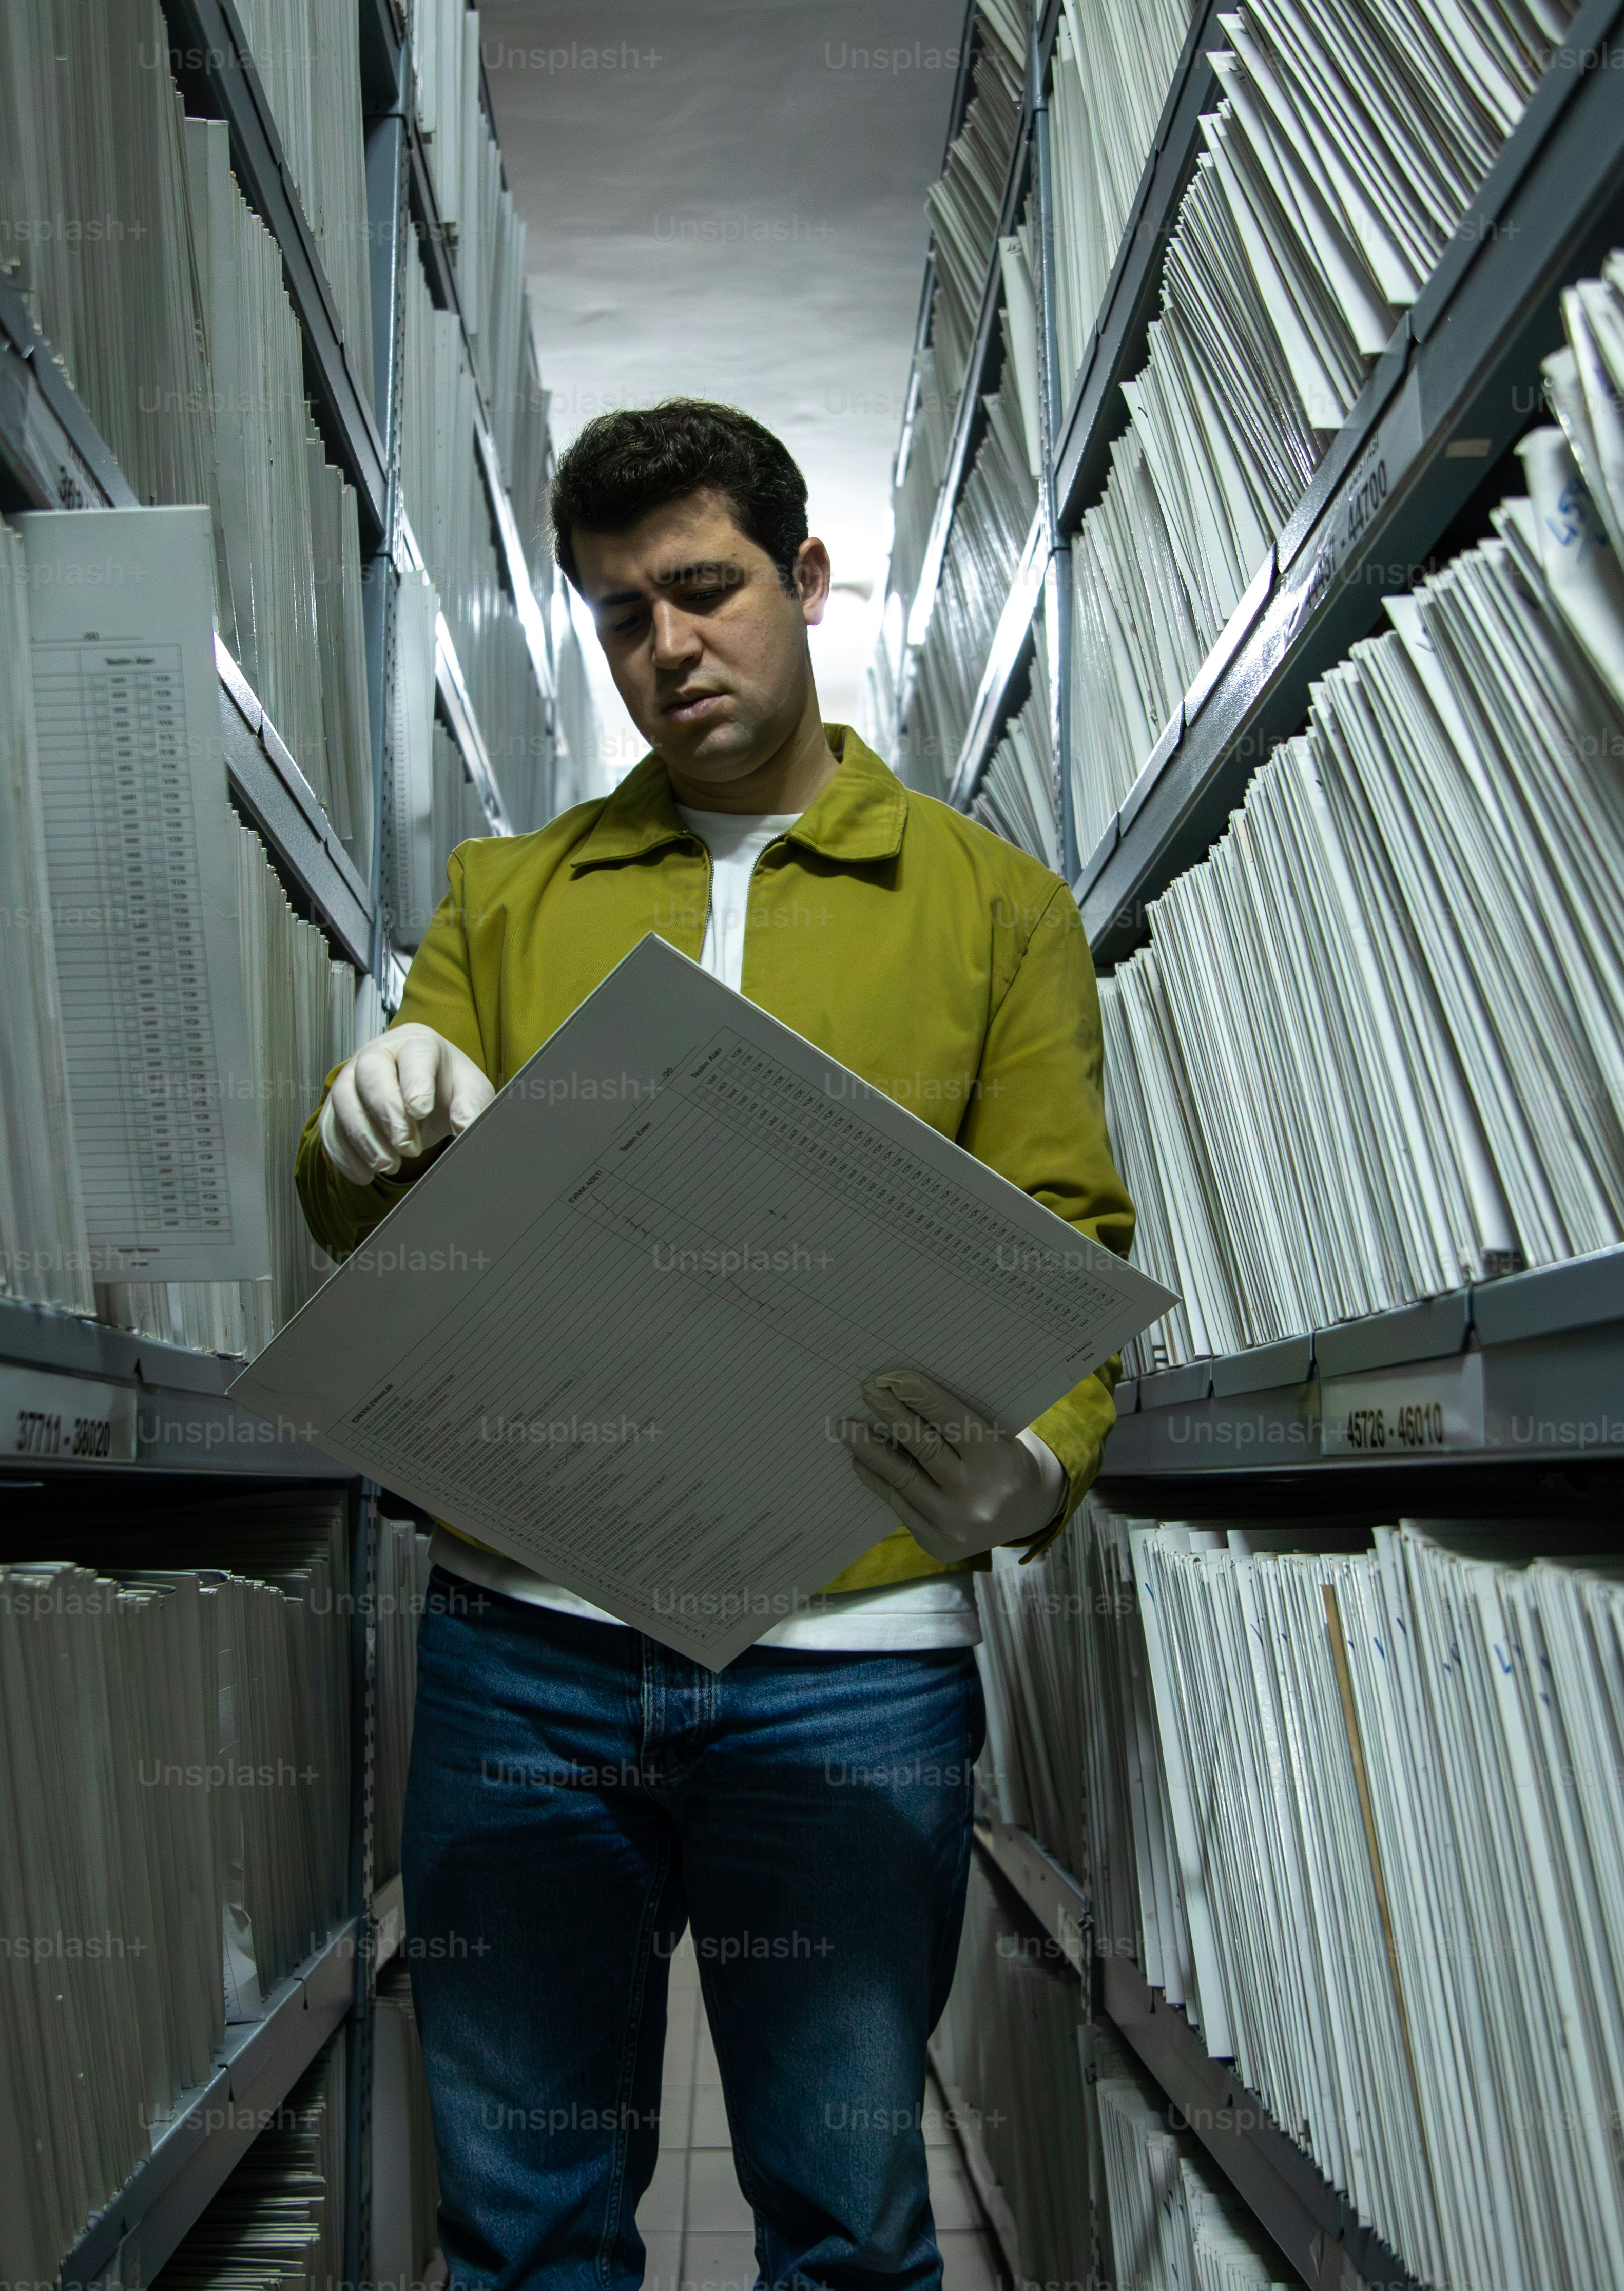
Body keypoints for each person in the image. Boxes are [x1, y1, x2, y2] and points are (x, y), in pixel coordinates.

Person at [293, 398, 1133, 2291]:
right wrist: (367, 1119)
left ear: (807, 579)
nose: (664, 648)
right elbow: (379, 1235)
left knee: (847, 2225)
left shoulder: (998, 910)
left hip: (849, 1663)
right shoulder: (507, 901)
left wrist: (1033, 1472)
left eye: (703, 591)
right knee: (518, 2234)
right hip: (529, 1651)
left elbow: (1068, 1245)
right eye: (616, 615)